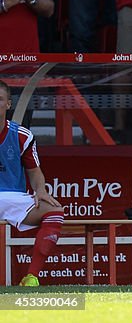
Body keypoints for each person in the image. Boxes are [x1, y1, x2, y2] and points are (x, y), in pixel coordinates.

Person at [0, 79, 63, 287]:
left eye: (0, 99)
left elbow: (35, 172)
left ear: (8, 104)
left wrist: (40, 190)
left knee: (54, 210)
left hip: (13, 198)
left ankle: (32, 277)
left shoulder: (21, 135)